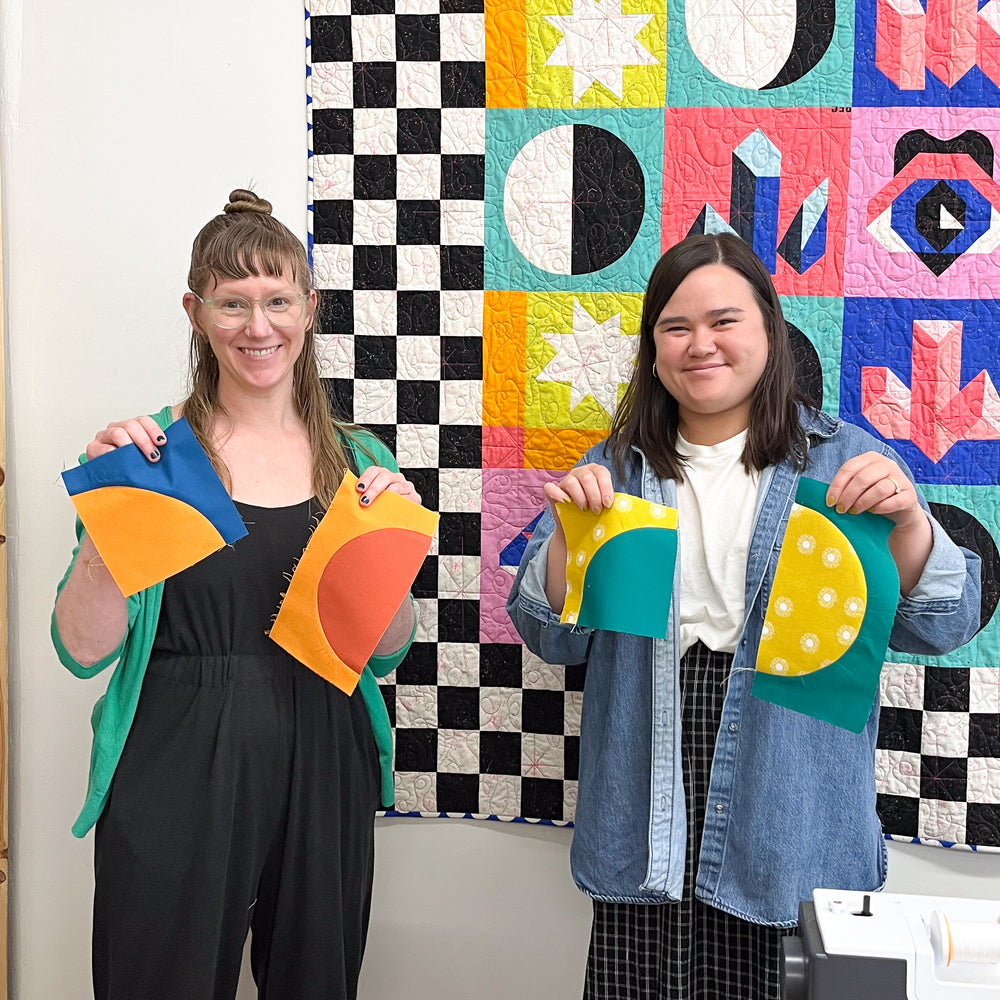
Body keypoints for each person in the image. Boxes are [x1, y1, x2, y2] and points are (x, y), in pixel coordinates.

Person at [506, 233, 982, 1000]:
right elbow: (551, 637)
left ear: (770, 330)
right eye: (676, 326)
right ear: (653, 349)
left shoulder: (844, 462)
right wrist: (567, 535)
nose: (702, 345)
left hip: (789, 779)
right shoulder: (618, 468)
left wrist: (914, 529)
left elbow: (943, 624)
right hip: (646, 772)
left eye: (724, 321)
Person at [51, 189, 421, 1000]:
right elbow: (81, 651)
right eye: (234, 303)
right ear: (197, 311)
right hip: (178, 749)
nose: (260, 327)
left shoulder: (356, 460)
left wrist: (389, 547)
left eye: (278, 300)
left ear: (309, 306)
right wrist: (113, 520)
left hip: (327, 745)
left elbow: (387, 647)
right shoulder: (153, 457)